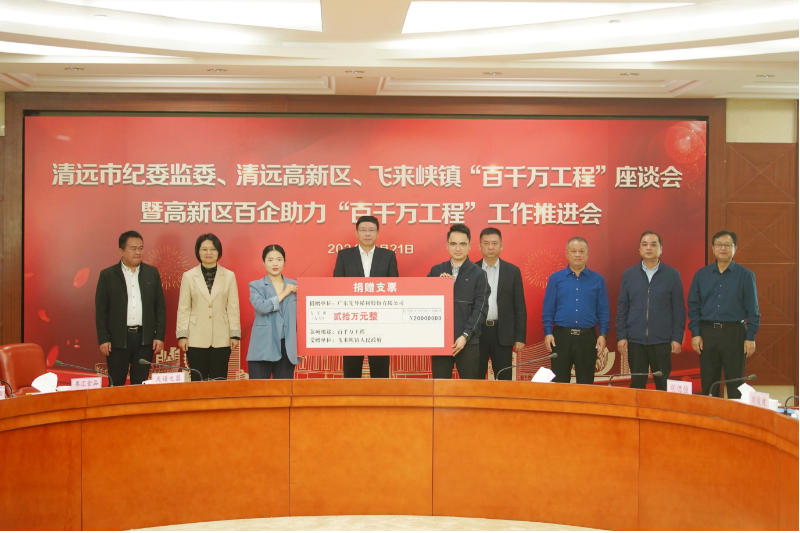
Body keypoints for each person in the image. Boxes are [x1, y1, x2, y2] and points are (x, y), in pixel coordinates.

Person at [688, 230, 760, 398]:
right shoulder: (701, 275)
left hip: (734, 334)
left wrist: (750, 337)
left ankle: (735, 415)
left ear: (735, 248)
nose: (723, 248)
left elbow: (753, 310)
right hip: (708, 333)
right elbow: (694, 307)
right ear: (713, 248)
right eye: (719, 245)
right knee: (709, 383)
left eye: (728, 245)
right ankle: (711, 414)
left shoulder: (745, 275)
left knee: (736, 383)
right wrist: (696, 334)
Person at [95, 230, 166, 386]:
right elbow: (101, 311)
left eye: (141, 248)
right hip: (118, 339)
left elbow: (159, 308)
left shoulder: (152, 273)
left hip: (144, 339)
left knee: (140, 384)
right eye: (133, 248)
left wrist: (159, 336)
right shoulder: (108, 275)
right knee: (116, 383)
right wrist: (104, 339)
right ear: (121, 251)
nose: (138, 252)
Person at [616, 231, 686, 390]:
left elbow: (678, 309)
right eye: (645, 244)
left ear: (661, 249)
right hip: (636, 340)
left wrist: (677, 337)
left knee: (663, 384)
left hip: (662, 340)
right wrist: (622, 336)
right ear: (639, 249)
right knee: (637, 385)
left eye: (653, 244)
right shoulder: (629, 274)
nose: (649, 248)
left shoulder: (672, 275)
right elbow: (623, 308)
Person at [333, 215, 398, 378]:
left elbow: (395, 288)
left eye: (371, 230)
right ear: (356, 232)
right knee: (351, 374)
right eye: (363, 230)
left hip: (380, 323)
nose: (367, 233)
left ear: (378, 233)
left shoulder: (388, 256)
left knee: (380, 374)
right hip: (352, 323)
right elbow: (336, 287)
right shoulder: (344, 255)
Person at [542, 237, 609, 384]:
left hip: (588, 338)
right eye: (573, 251)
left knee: (586, 383)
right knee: (559, 382)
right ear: (567, 254)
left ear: (587, 254)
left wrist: (603, 334)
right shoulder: (555, 278)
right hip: (561, 338)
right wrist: (548, 332)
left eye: (581, 251)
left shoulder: (598, 279)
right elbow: (548, 309)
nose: (577, 254)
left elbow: (603, 310)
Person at [427, 224, 490, 380]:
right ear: (447, 245)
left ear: (469, 245)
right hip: (441, 341)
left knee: (468, 389)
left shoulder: (479, 274)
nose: (458, 248)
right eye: (453, 244)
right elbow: (424, 301)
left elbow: (480, 309)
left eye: (462, 244)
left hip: (468, 342)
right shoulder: (436, 271)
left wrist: (465, 335)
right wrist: (436, 285)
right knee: (440, 388)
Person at [176, 234, 241, 381]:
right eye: (204, 249)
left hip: (222, 337)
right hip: (195, 337)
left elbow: (233, 307)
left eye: (213, 249)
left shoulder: (229, 276)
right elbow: (184, 308)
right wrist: (182, 335)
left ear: (219, 251)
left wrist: (234, 334)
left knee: (219, 380)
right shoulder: (188, 276)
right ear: (198, 252)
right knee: (198, 381)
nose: (208, 253)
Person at [475, 228, 527, 380]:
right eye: (486, 243)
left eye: (494, 243)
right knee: (475, 378)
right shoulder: (471, 270)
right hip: (477, 333)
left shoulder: (512, 271)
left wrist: (520, 337)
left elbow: (519, 306)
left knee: (504, 379)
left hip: (503, 333)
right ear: (479, 246)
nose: (490, 247)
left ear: (501, 246)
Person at [248, 245, 298, 379]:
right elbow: (262, 307)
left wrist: (303, 346)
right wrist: (285, 293)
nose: (275, 264)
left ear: (284, 262)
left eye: (279, 259)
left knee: (283, 390)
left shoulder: (295, 285)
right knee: (258, 390)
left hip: (287, 346)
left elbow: (302, 317)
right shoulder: (255, 285)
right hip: (263, 346)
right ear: (263, 262)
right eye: (270, 260)